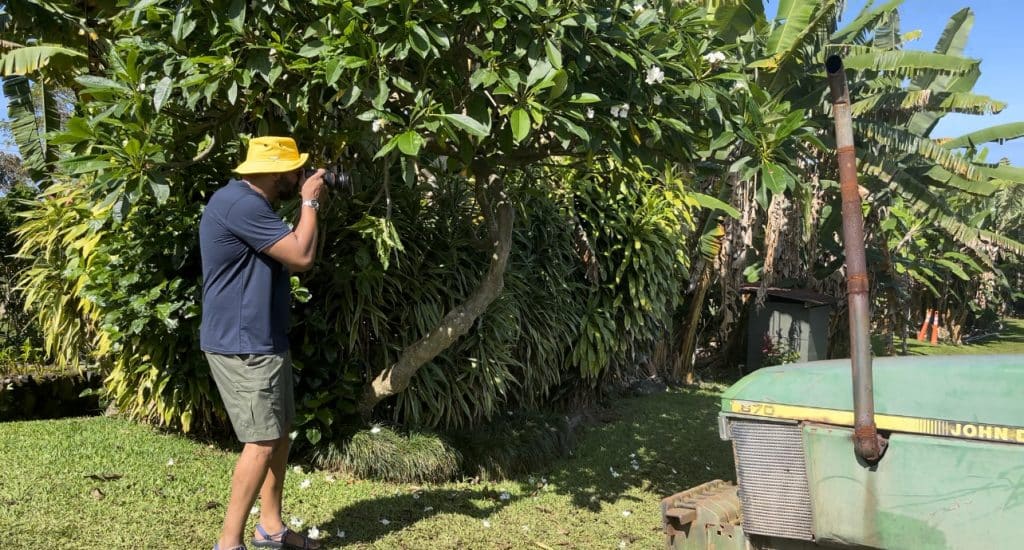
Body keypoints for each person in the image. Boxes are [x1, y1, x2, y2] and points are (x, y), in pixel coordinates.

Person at [199, 136, 325, 550]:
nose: (299, 175)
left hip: (262, 337)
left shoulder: (249, 202)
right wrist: (309, 202)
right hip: (244, 343)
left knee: (278, 433)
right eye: (294, 170)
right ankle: (228, 543)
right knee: (261, 440)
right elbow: (301, 256)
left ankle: (269, 527)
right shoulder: (244, 205)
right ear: (274, 173)